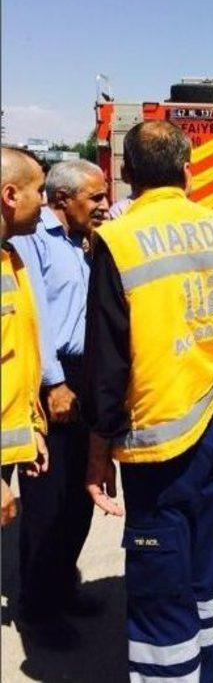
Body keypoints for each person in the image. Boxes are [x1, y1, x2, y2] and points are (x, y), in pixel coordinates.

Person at [83, 121, 213, 683]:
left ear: (128, 174)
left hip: (155, 438)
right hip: (211, 424)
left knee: (160, 583)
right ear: (187, 169)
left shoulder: (117, 239)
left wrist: (97, 451)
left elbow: (107, 363)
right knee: (203, 567)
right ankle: (209, 670)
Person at [11, 159, 109, 643]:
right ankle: (37, 606)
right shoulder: (33, 238)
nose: (104, 204)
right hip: (55, 380)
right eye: (95, 197)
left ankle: (62, 582)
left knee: (79, 494)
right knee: (48, 499)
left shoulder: (84, 240)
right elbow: (35, 317)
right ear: (62, 199)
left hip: (83, 376)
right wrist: (53, 383)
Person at [1, 148, 48, 528]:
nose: (45, 202)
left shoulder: (10, 258)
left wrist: (30, 429)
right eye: (40, 191)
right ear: (10, 195)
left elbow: (16, 358)